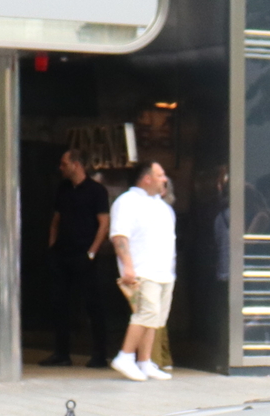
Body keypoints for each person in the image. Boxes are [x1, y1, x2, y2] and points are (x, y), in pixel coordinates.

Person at [42, 148, 114, 367]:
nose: (61, 167)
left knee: (93, 305)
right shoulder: (63, 188)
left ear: (76, 164)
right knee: (59, 303)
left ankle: (100, 354)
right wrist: (52, 246)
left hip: (85, 254)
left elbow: (104, 223)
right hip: (63, 253)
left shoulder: (96, 191)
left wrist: (92, 252)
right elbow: (56, 219)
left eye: (64, 163)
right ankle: (62, 353)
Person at [109, 161, 177, 381]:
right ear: (146, 178)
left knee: (155, 318)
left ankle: (144, 361)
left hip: (164, 271)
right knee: (145, 314)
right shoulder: (127, 202)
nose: (164, 179)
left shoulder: (163, 207)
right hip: (142, 270)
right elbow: (120, 235)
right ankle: (125, 356)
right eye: (160, 175)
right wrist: (128, 266)